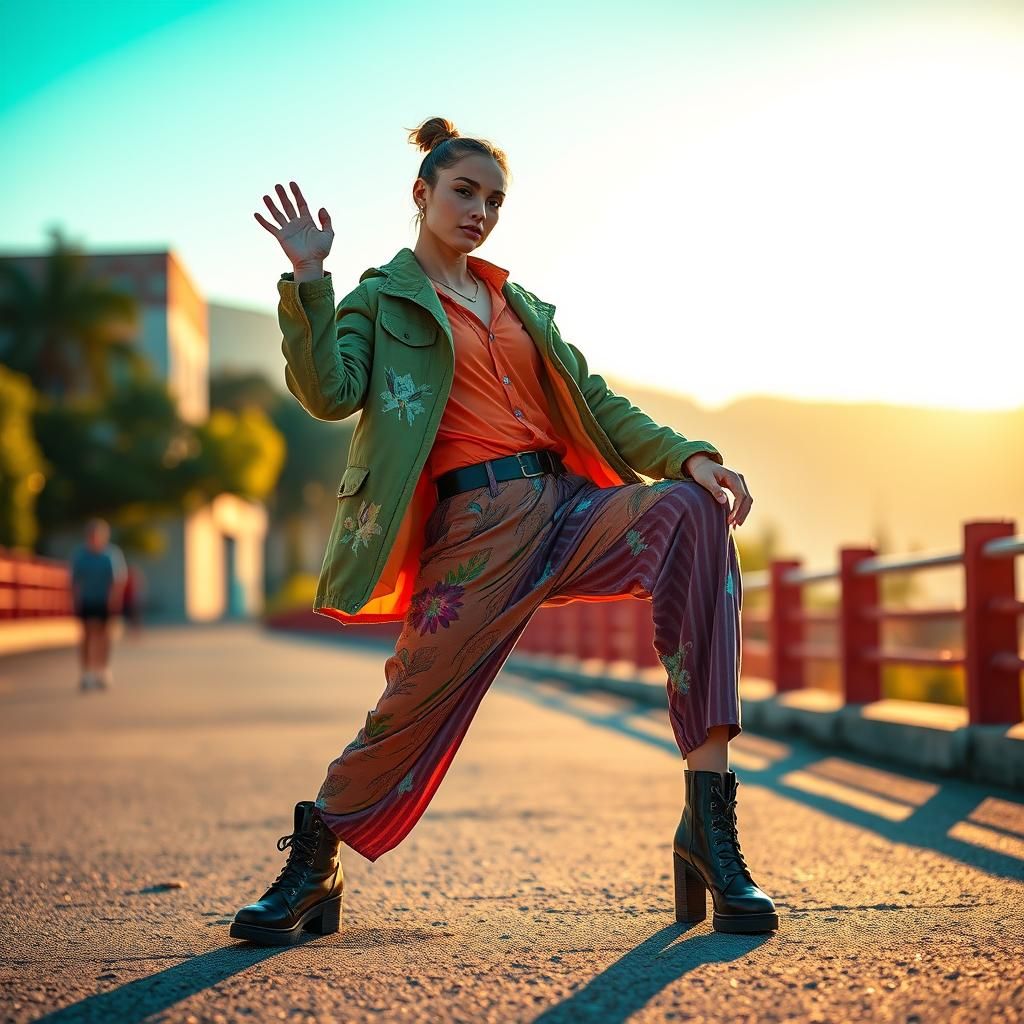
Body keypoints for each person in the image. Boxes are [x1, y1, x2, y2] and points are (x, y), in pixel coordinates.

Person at [234, 116, 777, 946]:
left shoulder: (520, 304)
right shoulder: (380, 302)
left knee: (694, 516)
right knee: (408, 704)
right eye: (463, 192)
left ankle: (709, 826)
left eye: (494, 198)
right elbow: (328, 390)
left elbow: (594, 403)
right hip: (474, 534)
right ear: (421, 194)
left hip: (568, 508)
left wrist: (687, 457)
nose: (479, 210)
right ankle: (315, 861)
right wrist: (310, 279)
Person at [70, 518, 127, 692]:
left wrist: (114, 599)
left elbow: (118, 580)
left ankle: (102, 670)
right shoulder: (81, 555)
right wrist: (75, 599)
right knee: (86, 635)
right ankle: (86, 672)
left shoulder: (110, 555)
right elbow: (74, 581)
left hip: (105, 600)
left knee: (104, 635)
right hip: (87, 599)